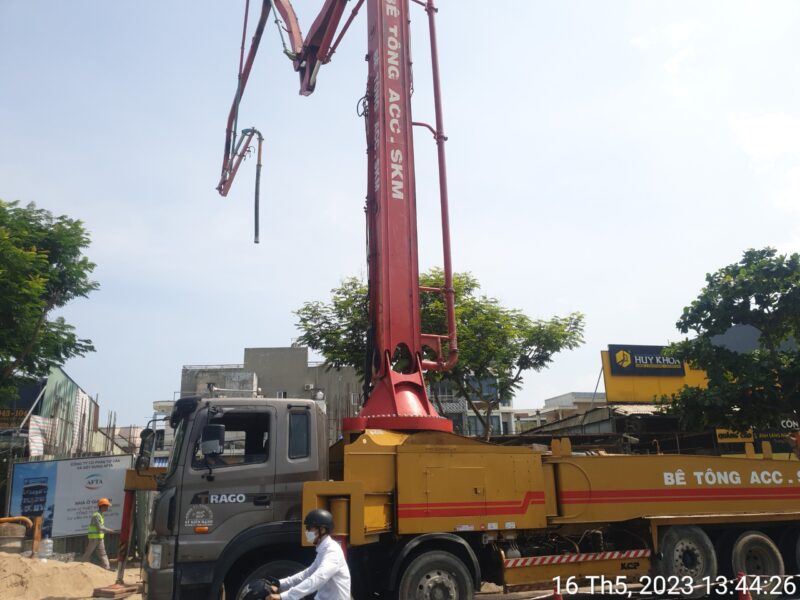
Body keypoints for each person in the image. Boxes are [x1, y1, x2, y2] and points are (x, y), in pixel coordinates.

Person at [267, 509, 350, 600]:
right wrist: (280, 584)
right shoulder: (323, 550)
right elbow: (307, 574)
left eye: (309, 528)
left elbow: (318, 578)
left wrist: (284, 596)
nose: (306, 531)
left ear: (322, 530)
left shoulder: (332, 552)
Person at [82, 497, 116, 569]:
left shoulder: (100, 515)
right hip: (94, 538)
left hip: (99, 538)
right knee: (88, 553)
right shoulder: (96, 515)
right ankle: (80, 566)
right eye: (106, 506)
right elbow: (100, 527)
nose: (107, 507)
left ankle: (107, 568)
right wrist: (110, 531)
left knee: (103, 554)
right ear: (102, 506)